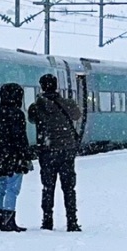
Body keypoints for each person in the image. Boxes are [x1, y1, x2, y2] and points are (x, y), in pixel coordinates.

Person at [28, 75, 84, 232]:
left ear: (42, 87)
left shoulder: (37, 106)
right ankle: (72, 221)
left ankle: (47, 221)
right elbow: (77, 115)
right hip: (66, 149)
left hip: (47, 150)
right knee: (68, 188)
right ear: (56, 86)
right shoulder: (67, 103)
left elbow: (32, 119)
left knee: (47, 187)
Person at [0, 82, 32, 232]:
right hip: (14, 156)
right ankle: (9, 220)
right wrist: (25, 155)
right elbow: (20, 137)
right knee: (12, 188)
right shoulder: (17, 113)